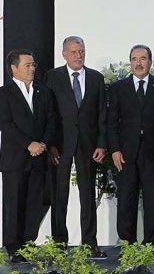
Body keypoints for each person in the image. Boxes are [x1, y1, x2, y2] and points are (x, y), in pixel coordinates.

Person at [44, 36, 107, 258]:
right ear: (64, 54)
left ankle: (90, 243)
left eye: (81, 51)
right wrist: (51, 144)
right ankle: (59, 244)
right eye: (73, 52)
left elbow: (102, 114)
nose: (78, 55)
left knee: (88, 195)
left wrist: (101, 144)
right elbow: (48, 113)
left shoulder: (97, 78)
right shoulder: (52, 77)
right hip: (60, 145)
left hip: (88, 145)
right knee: (59, 194)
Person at [0, 49, 56, 262]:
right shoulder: (2, 94)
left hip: (39, 157)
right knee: (14, 204)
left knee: (34, 204)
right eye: (27, 65)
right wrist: (28, 144)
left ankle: (28, 244)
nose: (32, 68)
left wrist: (43, 144)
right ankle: (13, 247)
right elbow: (6, 125)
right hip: (15, 160)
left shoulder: (43, 92)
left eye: (33, 64)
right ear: (14, 68)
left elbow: (51, 121)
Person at [107, 45, 154, 248]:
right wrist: (115, 149)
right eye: (134, 59)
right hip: (126, 152)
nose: (138, 63)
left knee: (152, 198)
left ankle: (151, 243)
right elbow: (111, 122)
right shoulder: (118, 88)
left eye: (142, 58)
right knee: (126, 198)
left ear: (150, 62)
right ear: (130, 62)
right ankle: (127, 243)